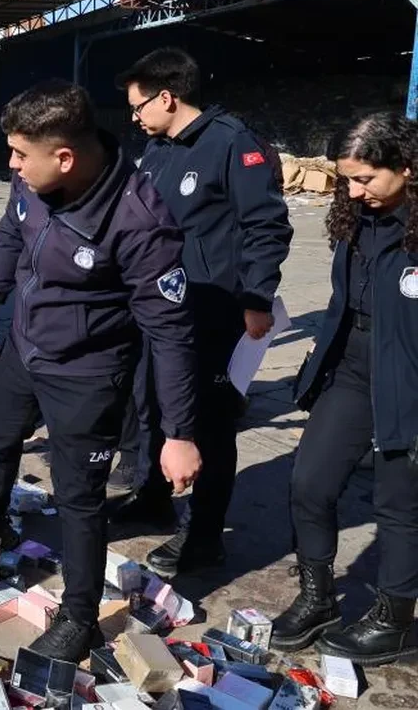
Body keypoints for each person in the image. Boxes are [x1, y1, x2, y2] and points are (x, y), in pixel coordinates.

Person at [0, 80, 202, 662]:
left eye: (21, 154)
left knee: (78, 498)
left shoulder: (140, 222)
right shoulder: (35, 183)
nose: (12, 165)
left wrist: (179, 431)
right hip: (24, 348)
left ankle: (79, 618)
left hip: (87, 374)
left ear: (64, 157)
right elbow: (9, 232)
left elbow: (172, 334)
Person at [111, 48, 293, 577]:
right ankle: (153, 495)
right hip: (157, 307)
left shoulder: (231, 144)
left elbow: (267, 225)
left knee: (208, 422)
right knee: (150, 404)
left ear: (168, 97)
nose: (135, 117)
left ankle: (204, 533)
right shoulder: (159, 148)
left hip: (212, 308)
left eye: (139, 105)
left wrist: (257, 298)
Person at [270, 113, 418, 664]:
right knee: (310, 482)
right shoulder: (355, 218)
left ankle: (396, 617)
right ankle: (317, 596)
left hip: (410, 378)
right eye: (346, 180)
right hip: (353, 366)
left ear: (406, 168)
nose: (354, 192)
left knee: (398, 504)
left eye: (366, 179)